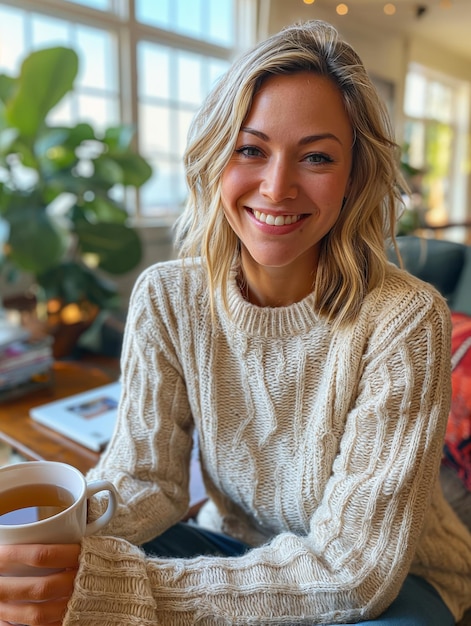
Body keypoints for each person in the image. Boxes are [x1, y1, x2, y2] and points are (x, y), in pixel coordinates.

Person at [1, 19, 470, 626]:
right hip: (237, 547)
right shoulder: (166, 298)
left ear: (354, 176)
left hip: (393, 578)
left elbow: (354, 573)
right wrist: (53, 538)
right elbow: (148, 480)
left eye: (317, 157)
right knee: (52, 577)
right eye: (251, 149)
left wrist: (108, 593)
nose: (277, 188)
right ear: (216, 155)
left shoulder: (404, 320)